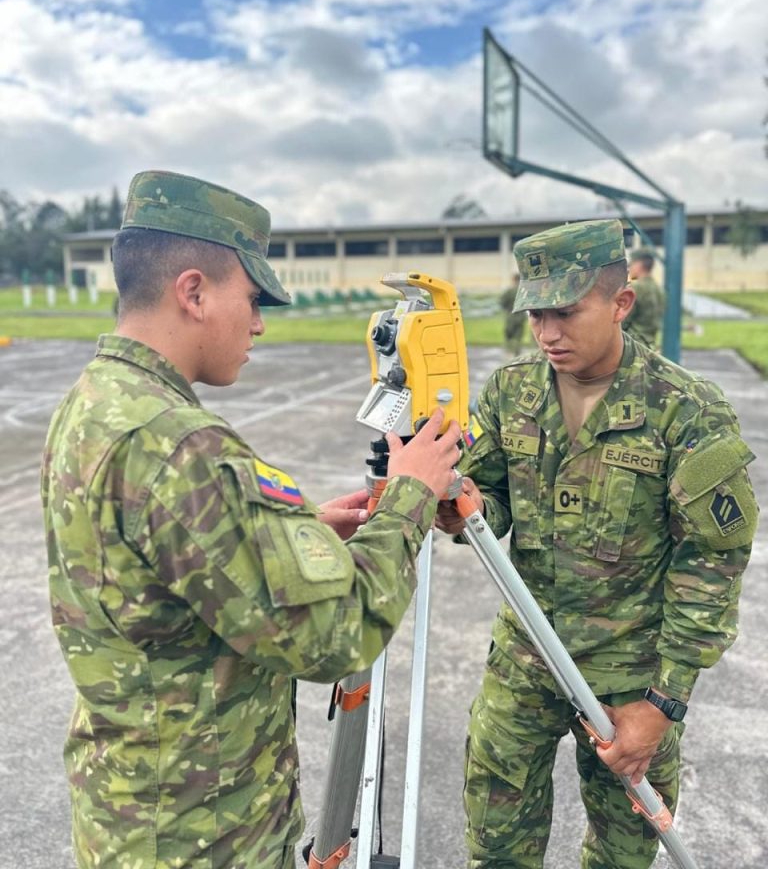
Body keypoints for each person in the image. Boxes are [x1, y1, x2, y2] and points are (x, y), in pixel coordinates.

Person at [41, 169, 462, 869]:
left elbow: (162, 572)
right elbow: (334, 637)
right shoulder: (180, 444)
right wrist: (411, 496)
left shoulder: (96, 402)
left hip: (133, 813)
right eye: (252, 297)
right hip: (202, 835)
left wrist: (300, 535)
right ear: (194, 291)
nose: (260, 322)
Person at [436, 218, 758, 869]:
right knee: (495, 847)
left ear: (621, 302)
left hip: (630, 679)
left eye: (565, 312)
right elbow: (491, 501)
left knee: (622, 851)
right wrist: (458, 508)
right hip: (526, 660)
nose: (547, 333)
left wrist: (663, 704)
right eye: (536, 315)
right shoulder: (512, 394)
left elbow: (712, 564)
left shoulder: (684, 409)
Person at [623, 247, 665, 348]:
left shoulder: (635, 288)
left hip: (633, 347)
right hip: (651, 346)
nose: (629, 269)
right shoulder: (659, 290)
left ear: (639, 264)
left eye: (631, 264)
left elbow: (623, 321)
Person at [499, 274, 527, 354]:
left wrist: (507, 309)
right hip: (521, 316)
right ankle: (517, 352)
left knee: (508, 334)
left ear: (513, 280)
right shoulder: (523, 291)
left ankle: (508, 351)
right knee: (518, 336)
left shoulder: (509, 291)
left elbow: (502, 302)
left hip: (510, 316)